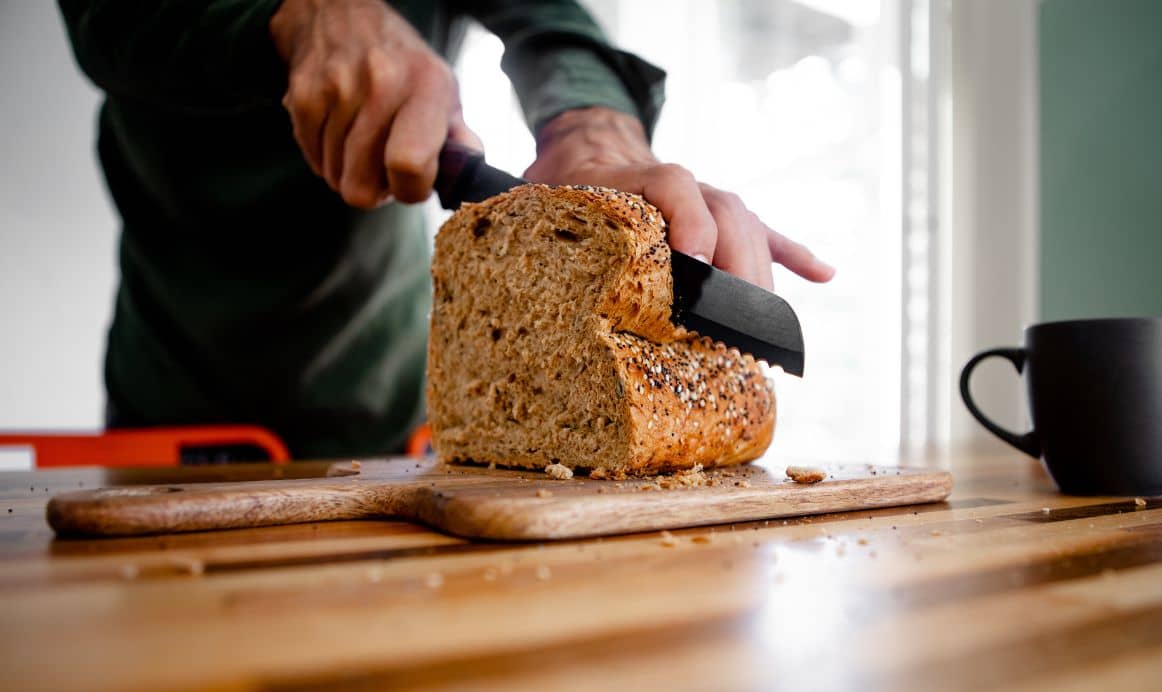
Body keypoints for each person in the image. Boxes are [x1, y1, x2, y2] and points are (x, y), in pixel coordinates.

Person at [58, 0, 834, 459]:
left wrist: (590, 125)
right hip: (178, 395)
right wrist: (293, 13)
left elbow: (552, 20)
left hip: (402, 414)